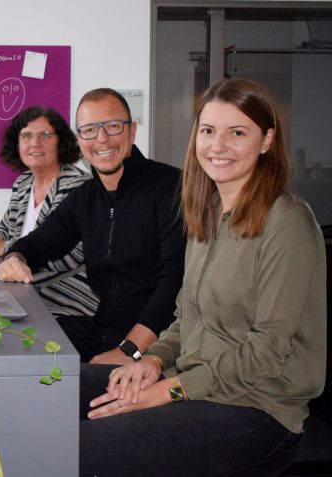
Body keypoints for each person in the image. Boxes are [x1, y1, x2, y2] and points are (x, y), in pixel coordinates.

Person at [80, 78, 326, 476]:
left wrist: (168, 391)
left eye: (237, 133)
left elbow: (266, 350)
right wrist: (151, 361)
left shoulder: (287, 221)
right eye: (208, 131)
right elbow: (185, 319)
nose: (218, 146)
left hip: (257, 407)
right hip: (191, 381)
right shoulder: (206, 213)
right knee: (54, 391)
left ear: (266, 140)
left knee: (73, 448)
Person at [0, 88, 185, 364]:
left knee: (63, 379)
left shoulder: (170, 187)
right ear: (80, 140)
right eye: (89, 130)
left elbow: (175, 281)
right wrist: (15, 257)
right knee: (16, 349)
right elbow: (38, 243)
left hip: (157, 343)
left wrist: (130, 350)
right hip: (102, 328)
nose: (101, 139)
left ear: (132, 131)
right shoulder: (85, 197)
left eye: (113, 126)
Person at [0, 106, 99, 324]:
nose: (35, 143)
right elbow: (6, 228)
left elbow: (70, 255)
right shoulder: (23, 182)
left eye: (45, 135)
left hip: (65, 300)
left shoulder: (77, 185)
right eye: (26, 136)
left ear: (61, 142)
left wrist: (4, 248)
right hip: (22, 292)